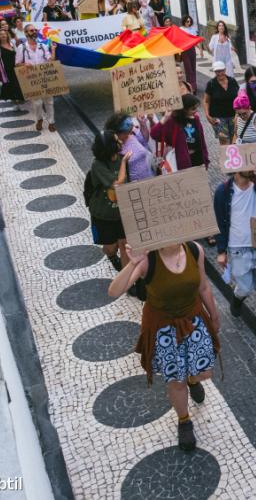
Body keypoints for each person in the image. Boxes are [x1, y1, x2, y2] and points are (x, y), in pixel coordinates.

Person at [107, 239, 221, 453]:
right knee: (176, 381)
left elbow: (203, 286)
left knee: (204, 372)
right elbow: (114, 291)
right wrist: (132, 263)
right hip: (165, 329)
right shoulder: (148, 258)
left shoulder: (195, 250)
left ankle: (192, 379)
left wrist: (214, 315)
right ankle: (184, 420)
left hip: (193, 321)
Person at [214, 165, 256, 340]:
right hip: (237, 249)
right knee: (244, 287)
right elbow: (219, 222)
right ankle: (238, 298)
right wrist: (221, 251)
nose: (252, 166)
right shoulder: (223, 191)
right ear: (236, 166)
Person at [85, 130, 129, 272]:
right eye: (117, 140)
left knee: (124, 243)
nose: (120, 142)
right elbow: (117, 184)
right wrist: (123, 163)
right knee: (111, 247)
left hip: (122, 213)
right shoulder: (98, 165)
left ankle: (129, 280)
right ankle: (111, 256)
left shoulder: (121, 158)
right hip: (103, 214)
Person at [151, 93, 210, 170]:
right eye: (193, 109)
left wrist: (205, 159)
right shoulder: (174, 122)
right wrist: (165, 118)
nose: (195, 111)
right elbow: (154, 134)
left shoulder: (196, 120)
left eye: (196, 108)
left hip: (198, 160)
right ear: (184, 109)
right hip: (183, 164)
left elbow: (202, 142)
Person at [16, 23, 56, 132]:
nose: (34, 32)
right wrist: (24, 65)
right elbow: (17, 64)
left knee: (49, 101)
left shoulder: (42, 46)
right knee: (37, 103)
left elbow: (50, 60)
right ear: (26, 33)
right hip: (32, 79)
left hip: (44, 77)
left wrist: (53, 50)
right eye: (31, 31)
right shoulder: (22, 48)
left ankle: (51, 122)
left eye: (34, 30)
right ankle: (39, 119)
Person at [107, 113, 153, 183]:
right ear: (116, 133)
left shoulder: (133, 132)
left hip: (149, 178)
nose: (128, 135)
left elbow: (144, 140)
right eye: (125, 133)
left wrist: (142, 124)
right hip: (133, 186)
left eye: (128, 132)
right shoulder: (113, 147)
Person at [203, 61, 240, 146]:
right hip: (218, 117)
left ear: (225, 70)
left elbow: (238, 97)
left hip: (233, 115)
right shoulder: (211, 84)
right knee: (224, 141)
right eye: (217, 71)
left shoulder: (232, 81)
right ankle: (226, 158)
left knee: (234, 139)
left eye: (221, 71)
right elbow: (206, 101)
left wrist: (238, 114)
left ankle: (234, 158)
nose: (219, 73)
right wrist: (207, 115)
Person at [0, 29, 23, 107]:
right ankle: (15, 103)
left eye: (4, 34)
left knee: (18, 85)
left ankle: (19, 101)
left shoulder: (12, 43)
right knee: (10, 86)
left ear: (7, 35)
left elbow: (17, 54)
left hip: (15, 68)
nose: (3, 35)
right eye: (1, 34)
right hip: (6, 70)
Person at [179, 16, 200, 94]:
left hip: (192, 49)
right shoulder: (181, 29)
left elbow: (195, 40)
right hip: (185, 50)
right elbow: (179, 40)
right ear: (184, 21)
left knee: (193, 68)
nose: (189, 23)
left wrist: (200, 49)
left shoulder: (192, 29)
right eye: (187, 21)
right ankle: (190, 86)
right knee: (188, 69)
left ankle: (194, 86)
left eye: (190, 21)